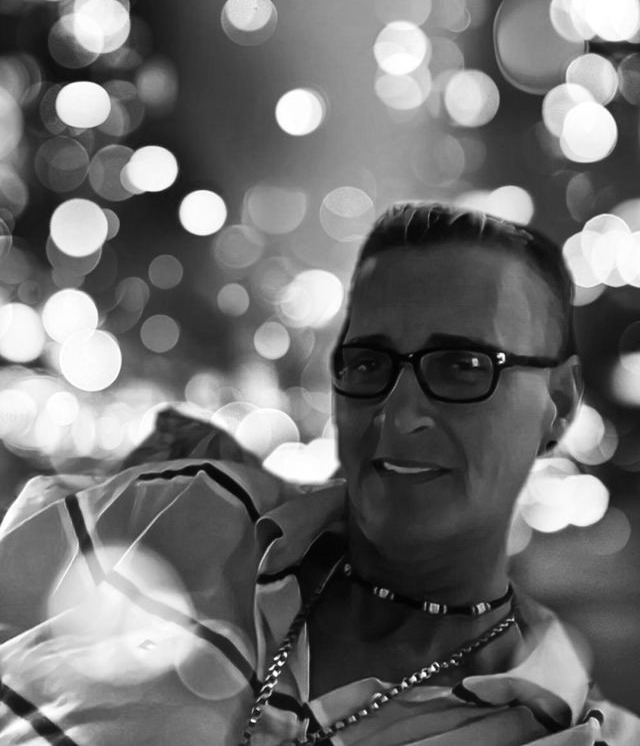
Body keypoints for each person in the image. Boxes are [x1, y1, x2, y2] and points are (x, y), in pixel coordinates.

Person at [0, 202, 638, 746]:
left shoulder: (571, 732)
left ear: (560, 403)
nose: (397, 414)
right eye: (368, 364)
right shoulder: (174, 510)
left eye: (463, 366)